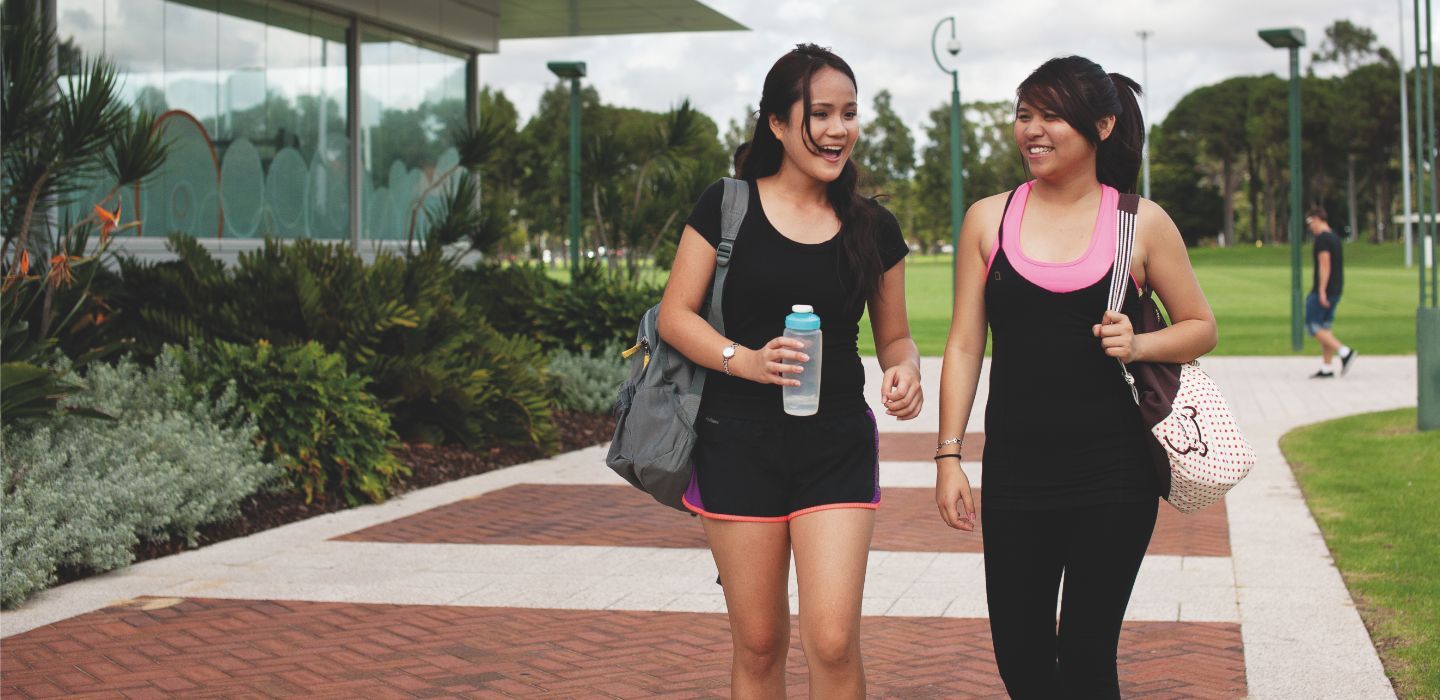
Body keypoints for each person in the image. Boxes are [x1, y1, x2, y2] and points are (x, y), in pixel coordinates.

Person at [933, 56, 1218, 698]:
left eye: (1052, 115)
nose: (1033, 130)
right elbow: (962, 343)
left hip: (1113, 477)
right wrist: (949, 456)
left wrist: (1140, 340)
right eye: (1024, 114)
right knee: (1023, 665)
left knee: (1088, 663)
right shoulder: (988, 218)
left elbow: (1201, 326)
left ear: (1104, 125)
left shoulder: (1139, 222)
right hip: (1014, 475)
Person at [657, 43, 921, 699]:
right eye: (821, 114)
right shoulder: (726, 206)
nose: (839, 130)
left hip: (835, 443)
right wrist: (742, 360)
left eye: (850, 114)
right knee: (760, 644)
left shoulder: (873, 227)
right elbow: (675, 315)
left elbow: (897, 339)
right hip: (734, 443)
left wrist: (904, 372)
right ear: (777, 123)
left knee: (832, 643)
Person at [1305, 206, 1356, 378]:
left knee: (1312, 325)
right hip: (1336, 289)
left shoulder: (1322, 240)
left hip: (1325, 290)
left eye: (1310, 222)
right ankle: (1327, 368)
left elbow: (1324, 265)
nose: (1309, 226)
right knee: (1325, 327)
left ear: (1317, 219)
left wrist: (1321, 291)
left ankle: (1344, 352)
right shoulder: (1334, 237)